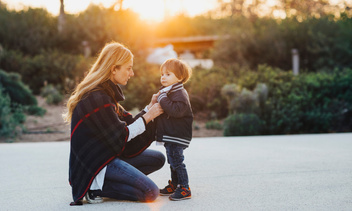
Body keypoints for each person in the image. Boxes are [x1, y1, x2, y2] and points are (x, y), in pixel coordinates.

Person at [63, 42, 165, 205]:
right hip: (96, 165)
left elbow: (127, 123)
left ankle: (110, 184)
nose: (131, 73)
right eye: (128, 68)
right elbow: (122, 135)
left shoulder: (105, 93)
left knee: (158, 158)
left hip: (107, 155)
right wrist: (147, 117)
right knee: (150, 192)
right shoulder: (97, 97)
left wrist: (148, 109)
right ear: (113, 69)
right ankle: (94, 188)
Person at [156, 58, 193, 200]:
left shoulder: (179, 93)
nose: (163, 77)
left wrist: (162, 98)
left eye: (168, 74)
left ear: (180, 77)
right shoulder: (169, 92)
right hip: (171, 134)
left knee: (177, 160)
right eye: (162, 74)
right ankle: (175, 183)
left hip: (178, 134)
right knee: (172, 160)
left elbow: (175, 111)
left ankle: (184, 187)